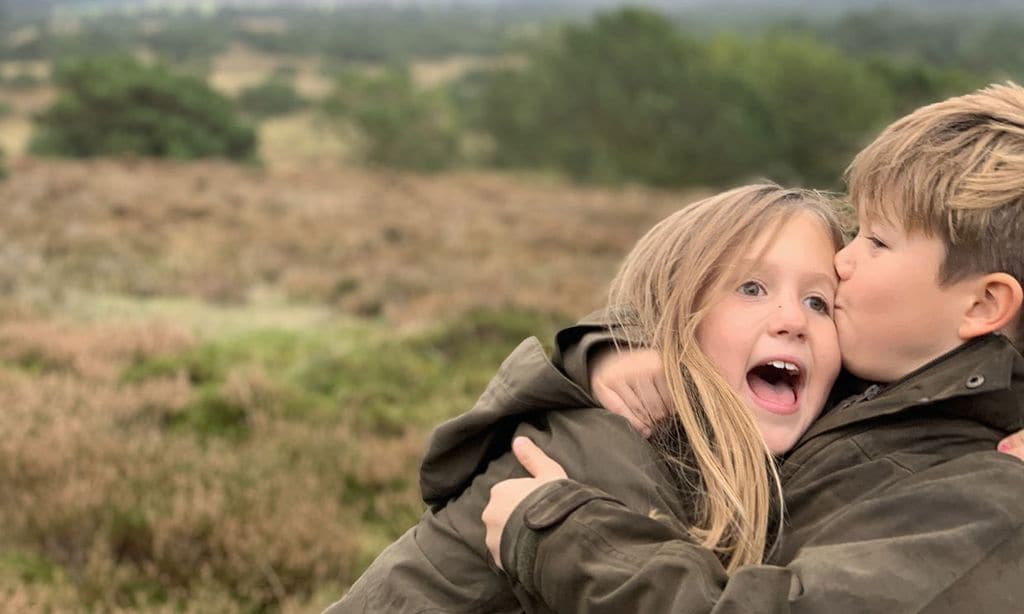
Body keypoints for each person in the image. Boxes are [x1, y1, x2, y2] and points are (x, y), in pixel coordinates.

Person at [482, 82, 1024, 613]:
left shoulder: (987, 497)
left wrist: (559, 537)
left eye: (878, 242)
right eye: (855, 231)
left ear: (982, 306)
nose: (843, 261)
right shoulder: (874, 389)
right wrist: (624, 349)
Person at [323, 183, 847, 613]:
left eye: (818, 301)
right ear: (674, 318)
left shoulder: (763, 454)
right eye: (752, 289)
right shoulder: (604, 450)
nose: (792, 320)